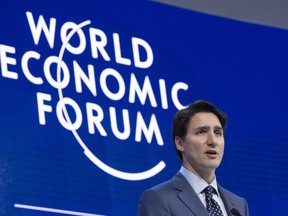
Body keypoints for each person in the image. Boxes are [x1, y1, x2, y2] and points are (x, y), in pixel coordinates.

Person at [138, 100, 249, 216]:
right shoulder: (158, 198)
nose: (213, 141)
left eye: (218, 133)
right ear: (180, 143)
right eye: (201, 132)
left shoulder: (239, 205)